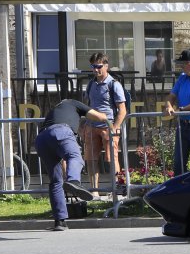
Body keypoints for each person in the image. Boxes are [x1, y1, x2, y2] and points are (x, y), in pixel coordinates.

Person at [36, 97, 104, 231]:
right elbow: (98, 117)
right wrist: (108, 119)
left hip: (41, 139)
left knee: (56, 181)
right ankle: (74, 181)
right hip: (61, 131)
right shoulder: (73, 103)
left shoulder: (55, 110)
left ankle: (60, 221)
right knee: (75, 157)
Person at [81, 53, 128, 190]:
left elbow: (122, 110)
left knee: (111, 159)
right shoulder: (91, 84)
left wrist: (114, 128)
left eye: (98, 66)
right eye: (93, 66)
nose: (95, 69)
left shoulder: (114, 84)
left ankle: (116, 190)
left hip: (108, 127)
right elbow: (86, 106)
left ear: (106, 66)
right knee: (91, 160)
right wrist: (83, 125)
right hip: (91, 126)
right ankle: (94, 190)